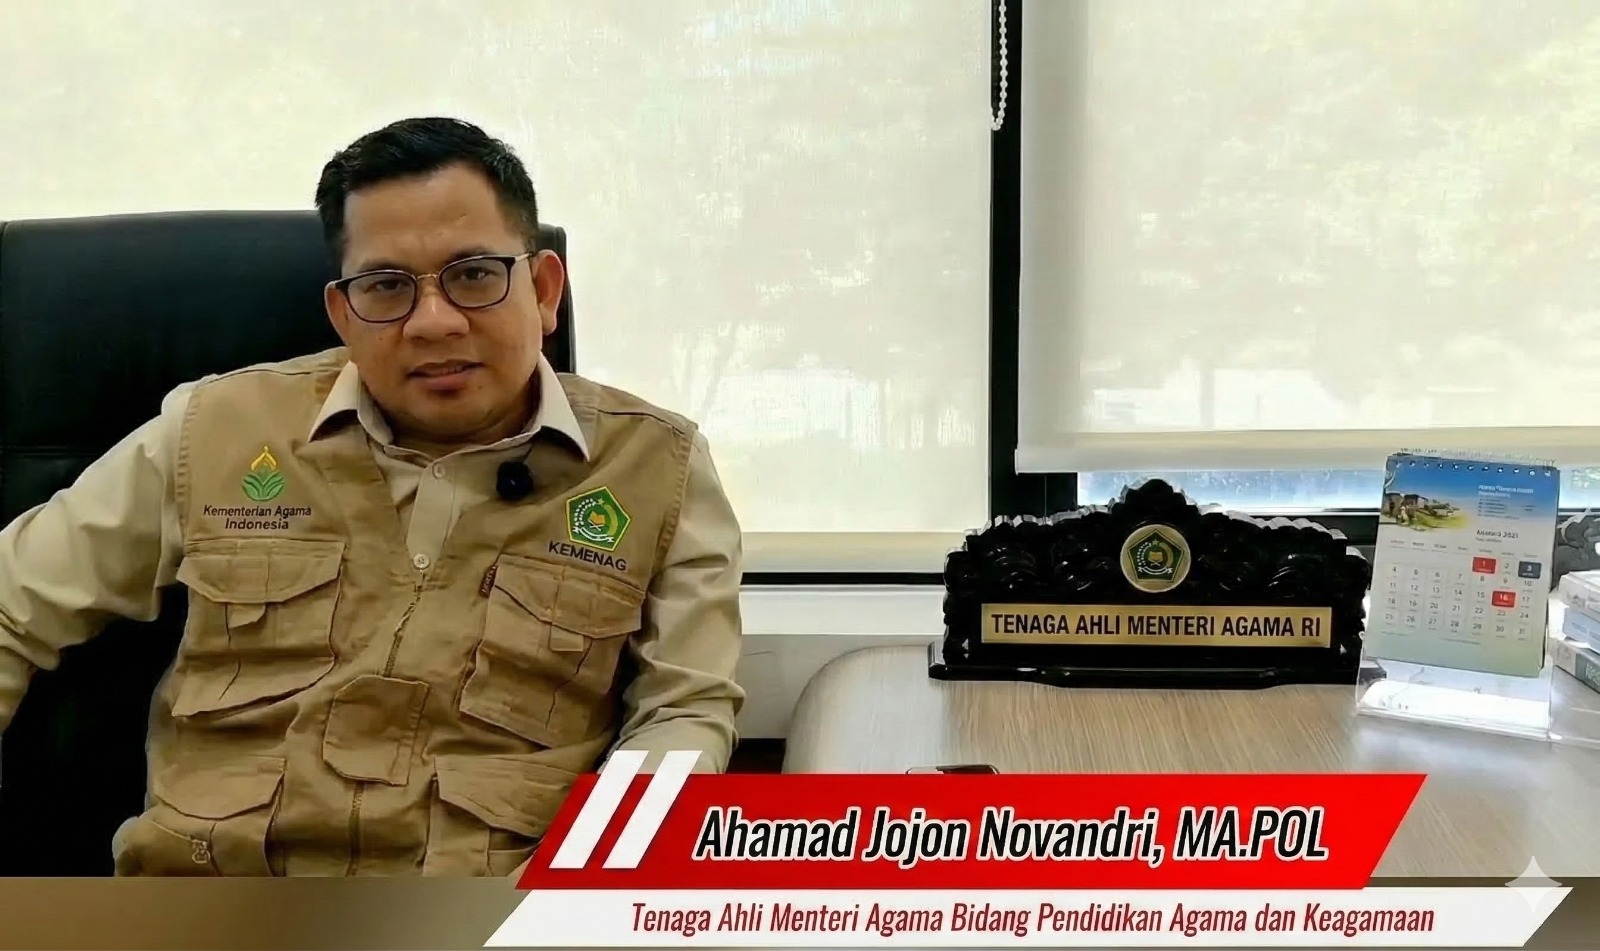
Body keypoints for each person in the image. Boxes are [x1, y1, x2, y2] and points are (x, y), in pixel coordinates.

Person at [0, 117, 745, 876]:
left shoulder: (657, 470)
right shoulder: (214, 430)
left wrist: (569, 895)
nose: (434, 323)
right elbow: (9, 602)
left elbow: (683, 713)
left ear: (545, 290)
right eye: (387, 286)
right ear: (343, 313)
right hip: (203, 904)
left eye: (474, 275)